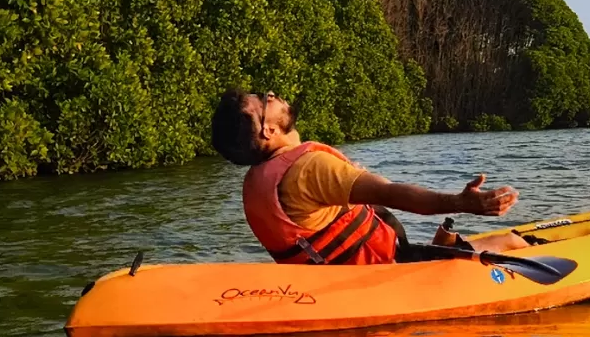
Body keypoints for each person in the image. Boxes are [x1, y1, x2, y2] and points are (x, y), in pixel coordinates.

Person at [210, 89, 522, 266]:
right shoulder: (310, 169)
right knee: (511, 241)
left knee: (439, 246)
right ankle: (472, 247)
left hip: (331, 282)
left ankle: (446, 244)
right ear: (269, 130)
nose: (272, 95)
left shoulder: (257, 181)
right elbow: (392, 194)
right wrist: (461, 202)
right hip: (387, 269)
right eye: (264, 102)